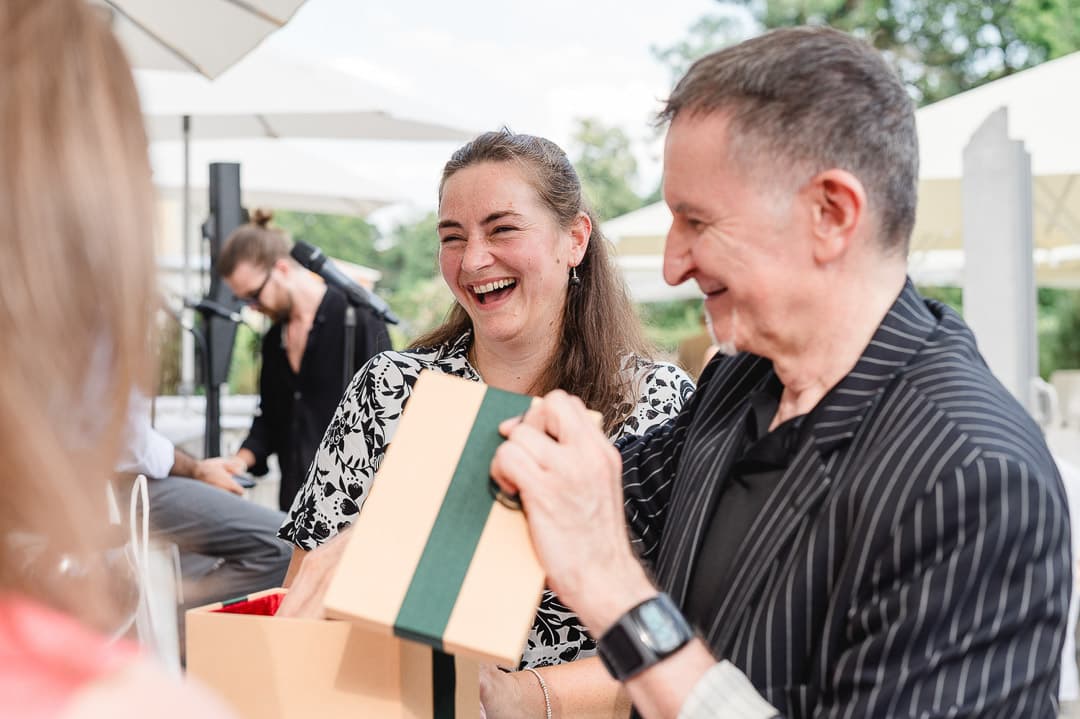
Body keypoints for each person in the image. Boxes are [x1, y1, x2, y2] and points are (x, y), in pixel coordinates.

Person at [489, 27, 1072, 718]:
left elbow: (607, 559)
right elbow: (600, 494)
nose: (673, 265)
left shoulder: (973, 477)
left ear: (831, 213)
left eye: (697, 221)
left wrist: (617, 593)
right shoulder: (743, 379)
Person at [279, 130, 694, 700]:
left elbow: (690, 645)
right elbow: (301, 601)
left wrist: (521, 698)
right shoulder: (390, 389)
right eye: (452, 237)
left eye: (502, 229)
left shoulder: (657, 402)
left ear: (575, 238)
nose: (473, 259)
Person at [0, 0, 234, 715]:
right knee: (271, 542)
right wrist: (200, 467)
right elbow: (129, 438)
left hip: (114, 486)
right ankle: (200, 645)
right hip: (126, 487)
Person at [216, 210, 392, 511]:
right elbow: (272, 418)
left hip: (355, 504)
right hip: (296, 504)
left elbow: (389, 413)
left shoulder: (357, 318)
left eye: (254, 295)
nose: (252, 307)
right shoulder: (274, 340)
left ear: (282, 269)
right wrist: (238, 462)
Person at [116, 396, 290, 612]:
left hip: (131, 478)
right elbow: (131, 444)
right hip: (119, 484)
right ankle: (184, 623)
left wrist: (200, 469)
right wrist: (197, 469)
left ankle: (184, 618)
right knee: (283, 541)